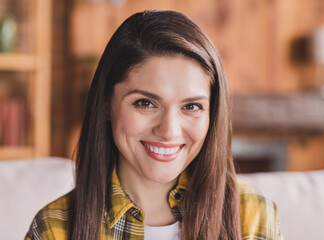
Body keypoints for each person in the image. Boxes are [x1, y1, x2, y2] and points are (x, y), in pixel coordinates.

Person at [25, 10, 283, 240]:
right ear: (106, 103)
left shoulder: (253, 215)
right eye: (146, 103)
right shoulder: (54, 228)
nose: (169, 130)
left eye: (191, 106)